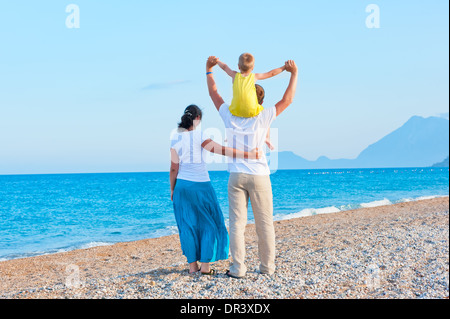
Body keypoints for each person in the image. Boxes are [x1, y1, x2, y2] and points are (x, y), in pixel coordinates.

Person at [206, 56, 299, 278]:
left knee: (237, 225)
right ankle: (267, 268)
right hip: (259, 175)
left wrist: (209, 70)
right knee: (264, 224)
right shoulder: (263, 116)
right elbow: (288, 99)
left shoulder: (229, 115)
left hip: (236, 175)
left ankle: (238, 269)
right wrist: (293, 74)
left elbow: (214, 94)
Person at [170, 104, 261, 275]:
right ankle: (205, 267)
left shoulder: (175, 139)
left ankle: (192, 267)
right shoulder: (199, 136)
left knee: (187, 226)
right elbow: (222, 150)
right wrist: (249, 154)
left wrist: (173, 190)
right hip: (201, 186)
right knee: (209, 224)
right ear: (197, 119)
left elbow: (174, 168)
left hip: (182, 186)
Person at [216, 53, 286, 150]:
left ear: (238, 66)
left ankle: (230, 135)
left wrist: (217, 61)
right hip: (252, 111)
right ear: (252, 67)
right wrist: (284, 67)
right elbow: (271, 73)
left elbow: (224, 67)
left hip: (235, 110)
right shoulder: (254, 77)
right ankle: (266, 137)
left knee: (230, 118)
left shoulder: (234, 75)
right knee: (264, 114)